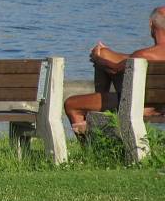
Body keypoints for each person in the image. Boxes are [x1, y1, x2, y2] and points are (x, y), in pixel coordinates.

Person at [64, 7, 165, 135]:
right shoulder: (143, 56)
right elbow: (130, 59)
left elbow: (114, 69)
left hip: (136, 103)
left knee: (71, 104)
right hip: (159, 106)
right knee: (106, 54)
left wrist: (97, 57)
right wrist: (107, 53)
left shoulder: (143, 55)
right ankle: (100, 116)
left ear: (151, 24)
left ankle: (92, 147)